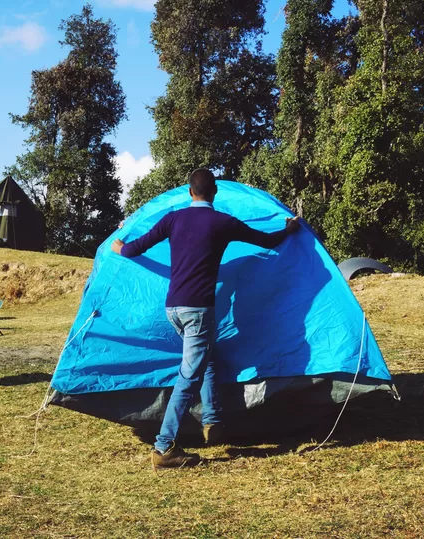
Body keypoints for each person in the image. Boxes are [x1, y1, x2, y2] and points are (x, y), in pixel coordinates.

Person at [112, 169, 301, 468]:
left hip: (173, 308)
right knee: (189, 377)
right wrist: (288, 230)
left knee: (207, 357)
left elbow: (136, 247)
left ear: (190, 192)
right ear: (215, 192)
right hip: (199, 310)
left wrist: (120, 247)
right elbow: (265, 241)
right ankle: (164, 448)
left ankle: (212, 422)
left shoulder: (172, 218)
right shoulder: (222, 222)